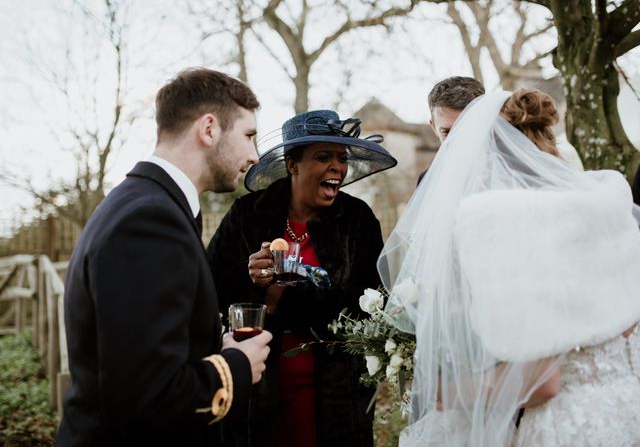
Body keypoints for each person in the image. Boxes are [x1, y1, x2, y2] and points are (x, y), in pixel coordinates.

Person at [379, 89, 640, 446]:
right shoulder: (602, 204)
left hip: (569, 427)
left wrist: (450, 392)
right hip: (628, 411)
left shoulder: (510, 223)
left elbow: (543, 381)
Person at [57, 68, 273, 447]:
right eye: (249, 136)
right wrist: (237, 366)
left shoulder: (144, 203)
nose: (255, 157)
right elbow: (146, 396)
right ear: (209, 129)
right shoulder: (149, 221)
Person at [206, 110, 397, 447]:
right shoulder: (247, 216)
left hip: (337, 391)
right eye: (323, 157)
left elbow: (372, 302)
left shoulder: (357, 220)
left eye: (342, 158)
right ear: (292, 164)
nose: (337, 167)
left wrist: (281, 299)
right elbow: (209, 288)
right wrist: (249, 278)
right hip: (258, 388)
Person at [417, 76, 485, 184]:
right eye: (447, 132)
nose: (456, 140)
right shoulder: (426, 181)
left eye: (465, 129)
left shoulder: (509, 173)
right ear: (433, 127)